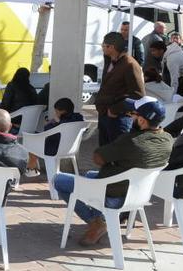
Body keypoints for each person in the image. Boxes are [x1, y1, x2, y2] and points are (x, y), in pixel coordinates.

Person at [53, 96, 173, 246]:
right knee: (90, 175)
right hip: (139, 193)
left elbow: (98, 158)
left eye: (132, 114)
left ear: (142, 120)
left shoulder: (131, 141)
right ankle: (100, 220)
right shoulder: (168, 139)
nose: (129, 116)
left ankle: (95, 222)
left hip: (113, 193)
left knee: (58, 181)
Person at [95, 32, 145, 146]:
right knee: (105, 154)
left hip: (119, 118)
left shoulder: (130, 64)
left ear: (111, 47)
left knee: (118, 157)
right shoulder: (110, 60)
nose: (102, 48)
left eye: (103, 46)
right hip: (104, 114)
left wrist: (115, 110)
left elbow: (138, 95)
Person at [24, 98, 85, 178]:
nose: (55, 113)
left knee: (32, 142)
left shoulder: (61, 123)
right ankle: (32, 168)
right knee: (35, 140)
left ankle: (31, 169)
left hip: (55, 148)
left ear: (63, 111)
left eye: (56, 111)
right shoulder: (79, 119)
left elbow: (47, 132)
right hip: (71, 148)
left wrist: (52, 123)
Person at [0, 67, 39, 132]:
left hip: (15, 117)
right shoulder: (31, 88)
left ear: (16, 75)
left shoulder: (11, 86)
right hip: (28, 119)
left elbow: (5, 104)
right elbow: (36, 103)